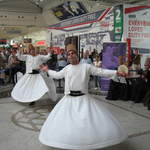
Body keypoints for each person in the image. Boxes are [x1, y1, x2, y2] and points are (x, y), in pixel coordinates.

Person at [39, 44, 127, 150]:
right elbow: (57, 75)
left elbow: (101, 72)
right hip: (69, 100)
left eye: (73, 53)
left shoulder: (86, 67)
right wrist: (47, 70)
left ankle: (85, 143)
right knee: (68, 124)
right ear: (67, 57)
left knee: (86, 123)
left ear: (77, 55)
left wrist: (116, 72)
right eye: (68, 54)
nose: (71, 56)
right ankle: (71, 142)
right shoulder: (67, 68)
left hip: (84, 99)